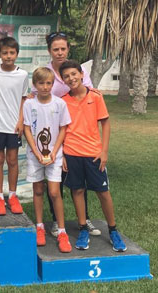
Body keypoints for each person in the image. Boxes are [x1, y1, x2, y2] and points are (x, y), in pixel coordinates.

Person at [31, 31, 100, 237]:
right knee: (56, 179)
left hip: (75, 133)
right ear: (49, 51)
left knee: (77, 179)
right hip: (52, 135)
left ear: (68, 49)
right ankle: (55, 221)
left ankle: (84, 219)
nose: (59, 53)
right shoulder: (46, 73)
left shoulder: (77, 71)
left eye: (63, 49)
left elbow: (88, 93)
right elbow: (34, 98)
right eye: (55, 49)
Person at [59, 60, 127, 252]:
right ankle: (82, 228)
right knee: (77, 191)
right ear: (63, 80)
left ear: (81, 74)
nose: (71, 78)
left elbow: (105, 123)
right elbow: (61, 129)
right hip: (72, 153)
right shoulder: (63, 101)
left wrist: (103, 151)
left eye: (74, 74)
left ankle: (113, 230)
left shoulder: (95, 97)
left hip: (93, 155)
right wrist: (62, 154)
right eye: (66, 76)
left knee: (103, 193)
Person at [23, 67, 72, 253]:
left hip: (55, 155)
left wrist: (54, 152)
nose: (45, 87)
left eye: (49, 83)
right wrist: (36, 152)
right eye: (41, 83)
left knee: (54, 192)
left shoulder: (59, 104)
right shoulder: (29, 104)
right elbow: (27, 129)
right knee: (37, 190)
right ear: (35, 85)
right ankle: (40, 227)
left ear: (53, 84)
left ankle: (61, 231)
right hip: (35, 155)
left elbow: (63, 129)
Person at [0, 36, 28, 216]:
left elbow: (23, 99)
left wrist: (21, 121)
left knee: (12, 161)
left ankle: (12, 195)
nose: (8, 56)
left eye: (12, 53)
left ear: (17, 54)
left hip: (13, 126)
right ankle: (0, 197)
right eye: (5, 53)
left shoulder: (23, 75)